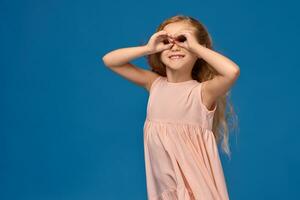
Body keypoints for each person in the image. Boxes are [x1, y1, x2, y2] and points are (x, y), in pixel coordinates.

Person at [102, 14, 240, 200]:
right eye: (167, 40)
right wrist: (148, 48)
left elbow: (232, 72)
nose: (175, 46)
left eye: (183, 40)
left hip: (197, 191)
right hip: (167, 191)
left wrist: (197, 47)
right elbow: (110, 60)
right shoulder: (154, 84)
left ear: (198, 51)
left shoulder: (202, 93)